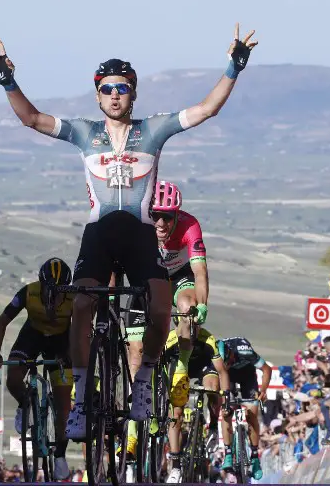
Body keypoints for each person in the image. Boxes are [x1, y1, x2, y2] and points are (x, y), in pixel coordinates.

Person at [0, 23, 258, 439]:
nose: (115, 94)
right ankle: (80, 400)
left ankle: (144, 384)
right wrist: (6, 78)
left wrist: (234, 67)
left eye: (123, 87)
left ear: (134, 93)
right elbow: (32, 118)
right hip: (98, 234)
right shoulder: (83, 133)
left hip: (139, 234)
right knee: (81, 308)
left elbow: (206, 110)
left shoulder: (153, 130)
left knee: (162, 303)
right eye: (108, 88)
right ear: (97, 95)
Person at [124, 180, 210, 459]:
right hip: (145, 282)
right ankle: (133, 430)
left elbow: (199, 271)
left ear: (177, 215)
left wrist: (202, 305)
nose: (160, 222)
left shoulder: (189, 225)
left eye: (167, 216)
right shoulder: (137, 224)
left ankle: (181, 369)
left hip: (178, 277)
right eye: (155, 215)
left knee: (187, 305)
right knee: (135, 353)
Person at [0, 258, 74, 481]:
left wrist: (70, 356)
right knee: (13, 379)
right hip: (32, 336)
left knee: (65, 405)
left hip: (61, 342)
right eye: (50, 289)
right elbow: (2, 322)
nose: (54, 295)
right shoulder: (28, 292)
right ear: (41, 283)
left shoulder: (74, 297)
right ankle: (25, 404)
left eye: (59, 291)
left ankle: (60, 455)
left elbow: (83, 331)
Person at [164, 326, 228, 484]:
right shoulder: (171, 338)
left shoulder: (208, 339)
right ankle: (176, 466)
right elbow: (161, 368)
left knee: (213, 389)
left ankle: (212, 425)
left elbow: (222, 371)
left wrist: (226, 397)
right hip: (181, 367)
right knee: (176, 414)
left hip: (204, 367)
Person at [217, 337, 273, 480]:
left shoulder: (245, 351)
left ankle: (255, 458)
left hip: (247, 375)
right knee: (226, 411)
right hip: (227, 377)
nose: (227, 364)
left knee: (252, 415)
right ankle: (228, 453)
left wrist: (263, 391)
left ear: (231, 355)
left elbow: (266, 369)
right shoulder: (216, 356)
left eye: (227, 362)